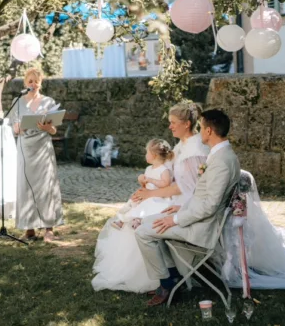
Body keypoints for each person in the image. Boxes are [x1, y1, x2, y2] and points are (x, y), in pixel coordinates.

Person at [91, 102, 209, 293]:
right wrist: (147, 184)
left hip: (184, 206)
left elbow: (185, 187)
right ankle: (164, 274)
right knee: (134, 212)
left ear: (186, 124)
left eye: (173, 122)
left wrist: (150, 194)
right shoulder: (183, 145)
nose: (169, 126)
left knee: (139, 222)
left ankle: (163, 279)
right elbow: (166, 172)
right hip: (173, 198)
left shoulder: (194, 151)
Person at [135, 109, 240, 307]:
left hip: (202, 227)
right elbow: (202, 196)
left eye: (201, 128)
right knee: (148, 222)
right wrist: (179, 208)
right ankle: (174, 280)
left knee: (142, 231)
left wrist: (175, 219)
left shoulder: (222, 162)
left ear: (209, 131)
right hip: (197, 217)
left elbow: (209, 206)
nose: (199, 132)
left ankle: (167, 284)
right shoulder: (222, 155)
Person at [6, 67, 64, 242]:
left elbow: (53, 130)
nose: (33, 84)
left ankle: (49, 228)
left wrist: (47, 127)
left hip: (43, 147)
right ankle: (29, 228)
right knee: (25, 186)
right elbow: (14, 127)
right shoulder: (18, 102)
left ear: (41, 83)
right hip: (25, 147)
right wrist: (18, 127)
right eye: (30, 81)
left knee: (46, 185)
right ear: (25, 83)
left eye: (36, 81)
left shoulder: (48, 102)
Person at [112, 139, 174, 230]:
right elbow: (145, 185)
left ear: (154, 155)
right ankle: (121, 220)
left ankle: (138, 219)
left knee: (146, 205)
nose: (145, 155)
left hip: (157, 196)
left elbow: (166, 183)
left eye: (147, 152)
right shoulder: (149, 169)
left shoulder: (164, 170)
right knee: (132, 201)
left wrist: (151, 180)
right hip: (147, 193)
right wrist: (141, 180)